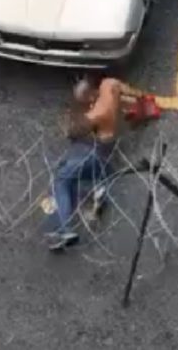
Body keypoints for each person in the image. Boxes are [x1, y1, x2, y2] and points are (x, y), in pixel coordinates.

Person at [47, 76, 131, 251]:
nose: (82, 104)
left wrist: (67, 124)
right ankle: (100, 190)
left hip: (95, 155)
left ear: (90, 96)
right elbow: (126, 90)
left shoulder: (95, 114)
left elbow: (71, 133)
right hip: (111, 153)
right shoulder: (109, 85)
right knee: (78, 168)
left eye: (82, 101)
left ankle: (65, 230)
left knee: (62, 179)